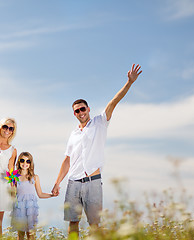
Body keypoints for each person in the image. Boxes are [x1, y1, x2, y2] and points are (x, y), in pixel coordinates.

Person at [51, 64, 142, 236]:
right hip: (73, 182)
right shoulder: (73, 134)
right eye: (77, 111)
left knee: (94, 224)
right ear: (74, 114)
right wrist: (57, 183)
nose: (80, 112)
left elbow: (114, 101)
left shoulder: (100, 122)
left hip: (93, 181)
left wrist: (129, 83)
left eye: (82, 109)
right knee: (73, 222)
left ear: (88, 109)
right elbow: (67, 160)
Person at [11, 152, 54, 240]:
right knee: (20, 234)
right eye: (22, 160)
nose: (25, 163)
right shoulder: (15, 177)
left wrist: (52, 195)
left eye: (28, 161)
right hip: (19, 208)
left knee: (31, 234)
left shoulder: (34, 177)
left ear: (31, 163)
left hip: (30, 208)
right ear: (18, 162)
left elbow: (40, 194)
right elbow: (13, 194)